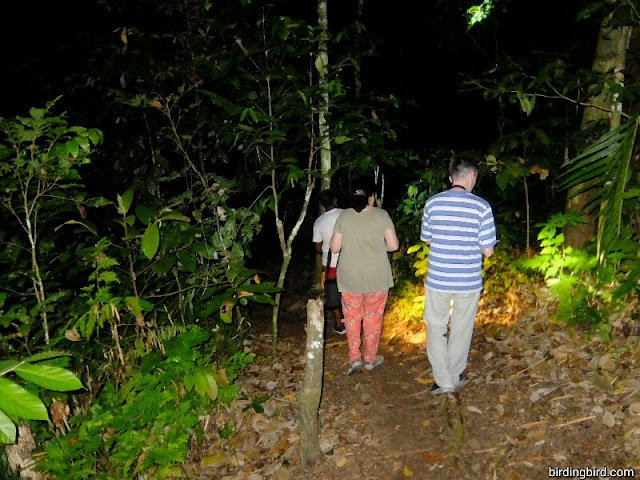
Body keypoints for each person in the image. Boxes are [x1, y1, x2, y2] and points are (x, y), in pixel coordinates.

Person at [420, 157, 497, 394]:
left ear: (451, 178)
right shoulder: (482, 206)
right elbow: (488, 250)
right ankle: (454, 375)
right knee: (462, 327)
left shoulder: (432, 203)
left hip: (438, 278)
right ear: (472, 177)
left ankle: (442, 380)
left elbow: (427, 238)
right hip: (468, 279)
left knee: (435, 326)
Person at [330, 184, 399, 375]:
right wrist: (378, 246)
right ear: (372, 196)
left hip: (350, 276)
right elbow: (393, 245)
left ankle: (354, 359)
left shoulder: (344, 216)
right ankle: (370, 359)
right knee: (373, 318)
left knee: (352, 319)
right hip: (377, 276)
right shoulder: (381, 215)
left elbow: (335, 248)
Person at [312, 189, 345, 334]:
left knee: (332, 292)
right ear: (335, 200)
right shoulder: (346, 214)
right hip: (349, 260)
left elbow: (318, 247)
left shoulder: (319, 222)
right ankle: (354, 320)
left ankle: (339, 324)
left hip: (330, 263)